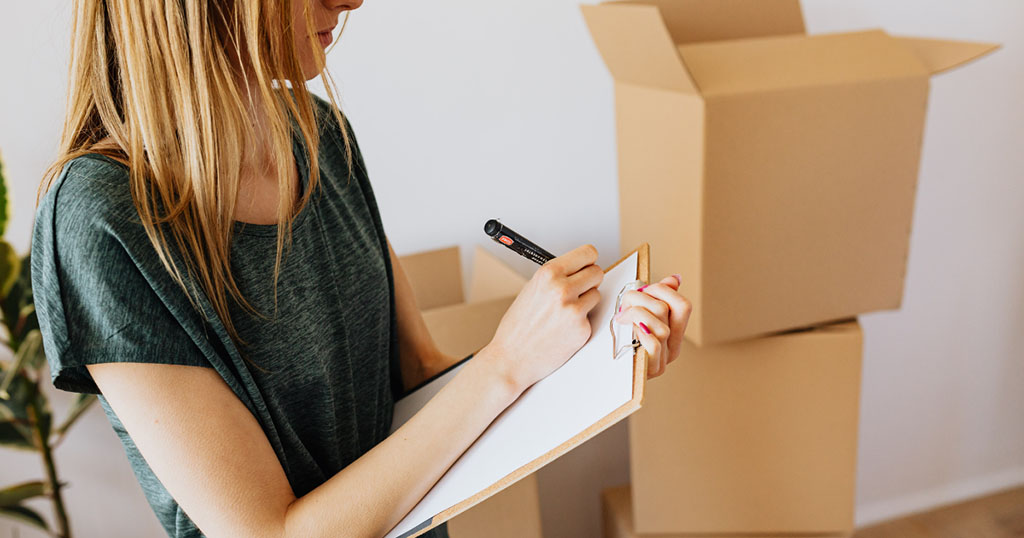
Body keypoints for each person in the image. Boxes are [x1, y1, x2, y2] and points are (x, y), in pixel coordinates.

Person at [30, 0, 692, 537]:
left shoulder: (320, 136)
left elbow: (422, 384)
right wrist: (507, 362)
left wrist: (600, 358)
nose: (351, 1)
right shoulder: (101, 218)